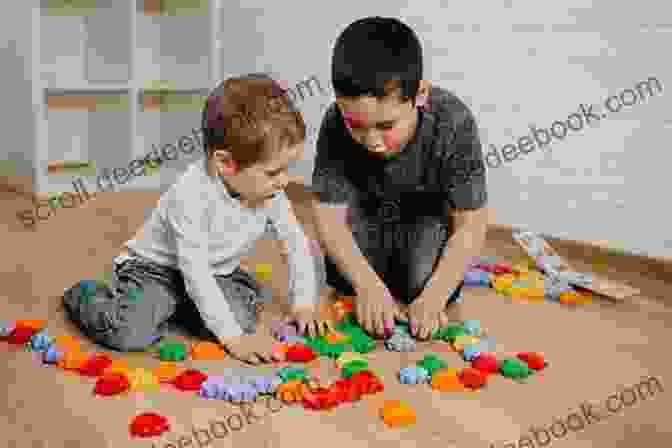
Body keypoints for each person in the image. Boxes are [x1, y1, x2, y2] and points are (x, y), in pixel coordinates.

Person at [63, 73, 327, 364]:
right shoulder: (190, 195)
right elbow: (195, 270)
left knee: (242, 317)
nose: (284, 181)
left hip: (216, 271)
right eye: (273, 172)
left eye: (287, 169)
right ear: (225, 163)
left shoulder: (271, 193)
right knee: (130, 333)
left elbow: (294, 241)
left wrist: (304, 303)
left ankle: (181, 306)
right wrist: (233, 340)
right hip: (155, 270)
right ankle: (85, 295)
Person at [310, 17, 490, 341]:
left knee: (420, 283)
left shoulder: (453, 122)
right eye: (356, 125)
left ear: (420, 94)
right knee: (348, 280)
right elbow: (328, 217)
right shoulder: (334, 122)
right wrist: (365, 285)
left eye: (386, 126)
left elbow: (471, 224)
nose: (372, 141)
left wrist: (434, 298)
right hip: (366, 216)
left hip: (425, 220)